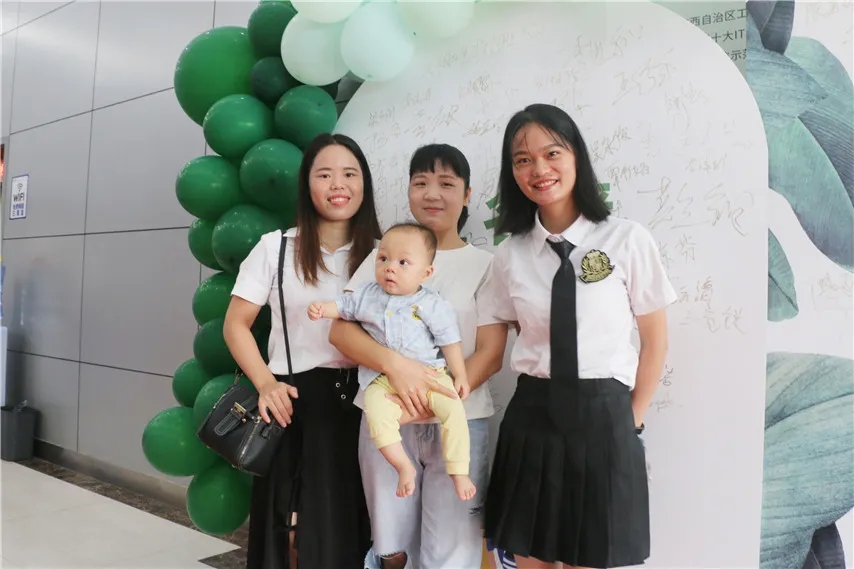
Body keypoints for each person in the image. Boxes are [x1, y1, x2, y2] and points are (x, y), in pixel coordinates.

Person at [482, 103, 677, 569]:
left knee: (592, 557)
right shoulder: (509, 256)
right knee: (530, 559)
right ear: (512, 173)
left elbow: (655, 341)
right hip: (532, 419)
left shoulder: (627, 239)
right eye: (523, 159)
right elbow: (496, 344)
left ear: (576, 157)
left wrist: (631, 421)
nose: (539, 169)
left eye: (552, 153)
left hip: (605, 417)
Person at [329, 144, 509, 569]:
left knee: (452, 552)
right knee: (391, 546)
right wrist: (396, 368)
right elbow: (340, 329)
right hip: (387, 419)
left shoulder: (485, 265)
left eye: (446, 183)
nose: (432, 193)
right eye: (421, 182)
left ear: (466, 195)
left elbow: (491, 352)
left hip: (459, 419)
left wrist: (434, 396)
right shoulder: (383, 255)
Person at [222, 133, 381, 569]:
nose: (338, 185)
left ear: (364, 184)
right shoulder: (275, 248)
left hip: (366, 404)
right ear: (307, 185)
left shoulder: (382, 254)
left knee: (354, 532)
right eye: (324, 175)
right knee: (289, 535)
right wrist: (265, 383)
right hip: (292, 403)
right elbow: (235, 324)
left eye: (350, 174)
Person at [308, 222, 477, 501]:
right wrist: (323, 309)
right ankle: (402, 466)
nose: (390, 268)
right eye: (383, 259)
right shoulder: (367, 294)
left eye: (403, 262)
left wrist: (459, 374)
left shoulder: (431, 304)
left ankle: (459, 471)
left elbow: (449, 341)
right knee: (376, 414)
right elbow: (344, 308)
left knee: (454, 410)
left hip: (430, 375)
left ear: (426, 273)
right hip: (380, 380)